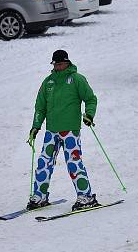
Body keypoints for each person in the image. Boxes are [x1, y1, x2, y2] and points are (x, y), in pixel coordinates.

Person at [27, 50, 99, 212]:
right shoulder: (48, 82)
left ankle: (85, 196)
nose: (58, 67)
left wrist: (89, 115)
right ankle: (39, 196)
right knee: (44, 162)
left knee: (73, 162)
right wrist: (35, 126)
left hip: (70, 130)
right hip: (51, 130)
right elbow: (40, 107)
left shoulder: (76, 79)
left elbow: (90, 99)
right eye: (55, 64)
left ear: (67, 62)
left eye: (60, 64)